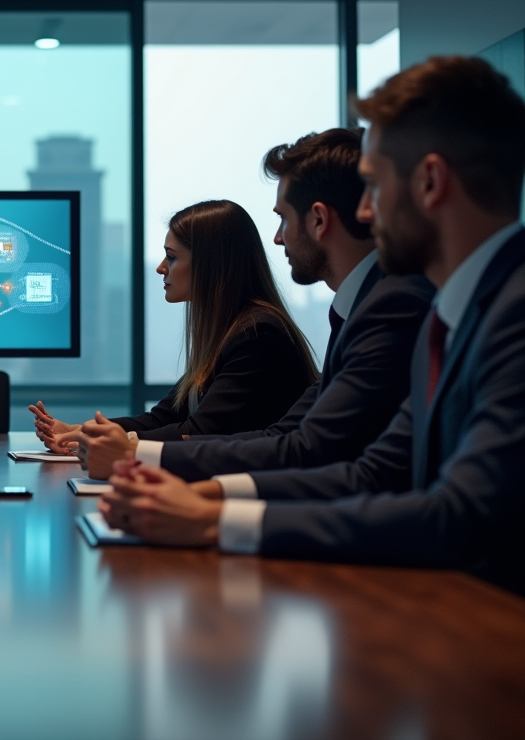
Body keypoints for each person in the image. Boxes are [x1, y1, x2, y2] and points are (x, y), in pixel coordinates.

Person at [99, 56, 525, 595]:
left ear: (430, 182)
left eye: (373, 187)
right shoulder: (449, 315)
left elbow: (458, 515)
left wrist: (215, 520)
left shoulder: (501, 315)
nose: (364, 213)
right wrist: (209, 499)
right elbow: (376, 471)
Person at [78, 129, 435, 479]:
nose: (277, 238)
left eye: (283, 218)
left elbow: (305, 449)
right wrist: (108, 440)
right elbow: (286, 437)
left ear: (319, 219)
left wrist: (138, 454)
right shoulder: (359, 308)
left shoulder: (382, 307)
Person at [32, 199, 318, 446]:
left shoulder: (257, 335)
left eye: (171, 257)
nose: (161, 268)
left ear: (211, 264)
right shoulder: (228, 332)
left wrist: (110, 443)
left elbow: (199, 432)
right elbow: (163, 418)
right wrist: (80, 430)